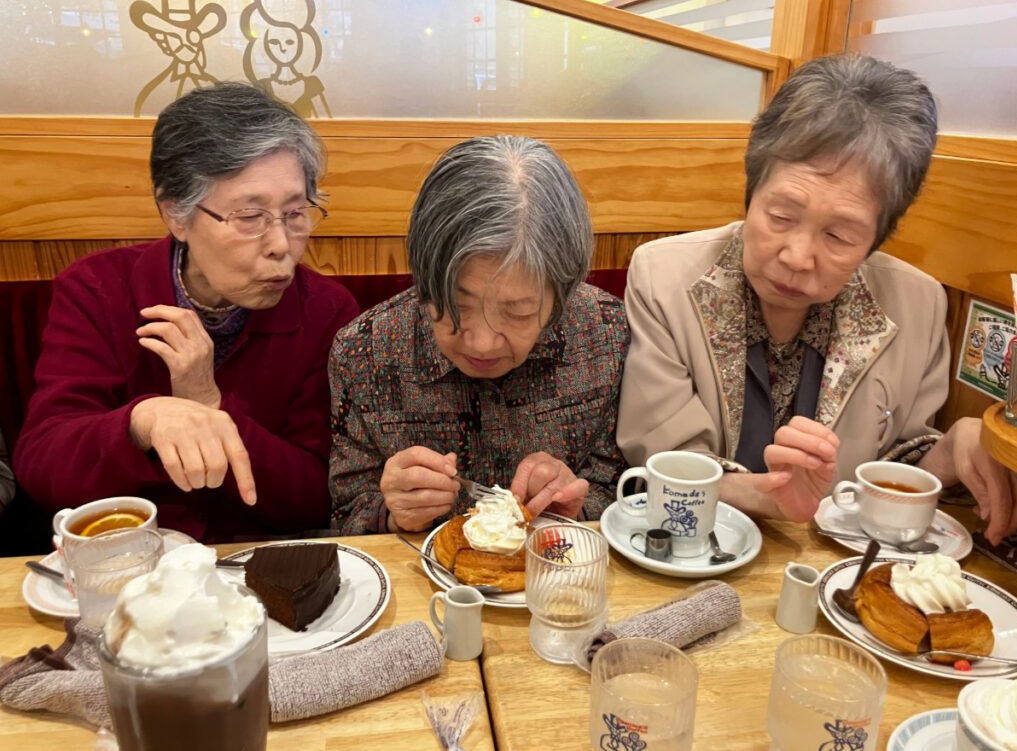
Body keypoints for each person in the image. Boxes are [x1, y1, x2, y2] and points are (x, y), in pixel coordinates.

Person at [617, 53, 1017, 546]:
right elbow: (664, 462)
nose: (797, 256)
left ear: (878, 237)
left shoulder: (918, 304)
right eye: (781, 216)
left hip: (841, 570)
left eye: (839, 236)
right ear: (751, 190)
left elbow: (894, 469)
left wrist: (954, 449)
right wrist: (771, 498)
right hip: (693, 554)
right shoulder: (664, 277)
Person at [14, 82, 359, 543]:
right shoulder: (97, 290)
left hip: (257, 567)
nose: (282, 247)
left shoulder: (327, 311)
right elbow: (43, 466)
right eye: (250, 217)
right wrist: (143, 421)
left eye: (296, 213)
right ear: (177, 214)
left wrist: (209, 403)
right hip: (125, 563)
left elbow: (315, 495)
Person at [329, 135, 629, 534]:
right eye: (457, 306)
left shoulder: (606, 335)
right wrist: (391, 512)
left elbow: (631, 497)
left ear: (562, 294)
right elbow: (343, 515)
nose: (482, 343)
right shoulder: (365, 350)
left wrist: (578, 509)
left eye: (518, 312)